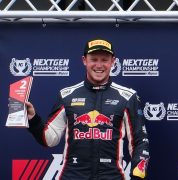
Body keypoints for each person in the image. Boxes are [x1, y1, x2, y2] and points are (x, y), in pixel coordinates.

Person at [25, 38, 149, 179]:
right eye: (94, 59)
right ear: (84, 60)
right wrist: (33, 119)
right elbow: (49, 139)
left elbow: (139, 141)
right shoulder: (67, 95)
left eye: (104, 60)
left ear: (113, 61)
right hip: (72, 176)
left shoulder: (127, 97)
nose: (99, 65)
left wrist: (138, 176)